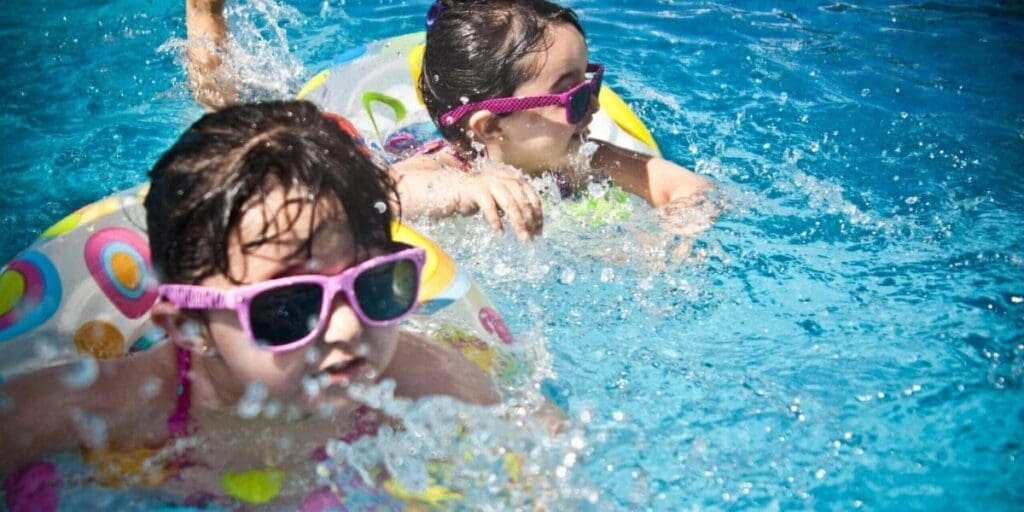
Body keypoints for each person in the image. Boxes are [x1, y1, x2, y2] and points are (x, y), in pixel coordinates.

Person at [0, 101, 497, 506]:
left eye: (374, 284)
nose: (347, 328)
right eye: (289, 307)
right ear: (190, 327)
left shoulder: (422, 381)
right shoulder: (115, 409)